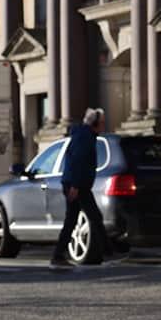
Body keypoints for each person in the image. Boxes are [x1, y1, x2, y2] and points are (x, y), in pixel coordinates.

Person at [49, 107, 108, 268]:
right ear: (95, 123)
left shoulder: (84, 135)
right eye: (102, 123)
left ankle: (58, 255)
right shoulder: (85, 137)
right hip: (77, 184)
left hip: (76, 183)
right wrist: (75, 186)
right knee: (94, 217)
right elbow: (78, 161)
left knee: (74, 219)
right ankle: (109, 251)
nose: (104, 126)